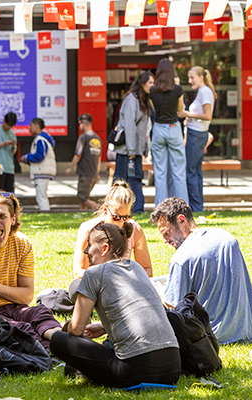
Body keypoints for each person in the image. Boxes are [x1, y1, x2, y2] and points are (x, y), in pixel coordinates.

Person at [51, 222, 181, 388]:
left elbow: (76, 329)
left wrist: (67, 329)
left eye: (90, 245)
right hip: (173, 368)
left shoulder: (94, 273)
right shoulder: (137, 268)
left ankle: (82, 370)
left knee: (58, 340)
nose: (86, 251)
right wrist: (104, 327)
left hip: (134, 372)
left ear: (104, 248)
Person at [150, 197, 252, 345]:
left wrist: (158, 294)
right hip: (246, 332)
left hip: (210, 337)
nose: (165, 240)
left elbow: (173, 309)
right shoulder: (227, 238)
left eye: (166, 232)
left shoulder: (181, 258)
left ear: (182, 220)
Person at [0, 191, 62, 350]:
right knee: (19, 328)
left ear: (13, 219)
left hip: (15, 307)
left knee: (40, 314)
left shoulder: (22, 243)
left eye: (2, 216)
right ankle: (50, 353)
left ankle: (64, 341)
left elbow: (26, 296)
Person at [73, 180, 152, 279]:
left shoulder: (135, 230)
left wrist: (125, 278)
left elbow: (147, 270)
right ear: (106, 210)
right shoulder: (88, 229)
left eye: (126, 217)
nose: (121, 223)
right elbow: (78, 272)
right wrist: (108, 277)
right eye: (116, 217)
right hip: (96, 284)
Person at [113, 71, 154, 214]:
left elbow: (145, 128)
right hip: (127, 150)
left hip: (134, 150)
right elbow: (129, 125)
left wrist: (144, 149)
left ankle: (137, 208)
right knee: (121, 181)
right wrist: (131, 150)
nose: (152, 85)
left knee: (135, 178)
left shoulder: (144, 100)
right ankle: (116, 209)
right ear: (142, 83)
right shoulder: (132, 99)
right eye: (150, 82)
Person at [149, 59, 188, 206]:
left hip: (158, 128)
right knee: (178, 171)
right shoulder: (177, 89)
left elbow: (154, 110)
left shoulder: (152, 90)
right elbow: (179, 109)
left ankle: (161, 207)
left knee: (160, 172)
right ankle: (182, 206)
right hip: (173, 127)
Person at [178, 66, 217, 212]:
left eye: (192, 77)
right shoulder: (203, 91)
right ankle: (198, 205)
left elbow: (208, 116)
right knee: (196, 172)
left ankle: (195, 207)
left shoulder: (204, 91)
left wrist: (187, 114)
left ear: (201, 77)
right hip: (197, 133)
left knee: (191, 172)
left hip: (196, 135)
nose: (190, 81)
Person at [66, 114, 102, 210]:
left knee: (83, 197)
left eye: (79, 124)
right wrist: (97, 173)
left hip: (85, 173)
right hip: (93, 173)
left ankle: (101, 211)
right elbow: (99, 159)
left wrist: (70, 167)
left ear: (83, 123)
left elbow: (78, 155)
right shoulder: (97, 138)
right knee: (84, 198)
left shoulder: (83, 138)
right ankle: (82, 214)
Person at [21, 118, 56, 212]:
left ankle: (45, 213)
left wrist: (27, 157)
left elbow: (40, 156)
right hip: (43, 171)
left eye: (31, 126)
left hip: (41, 172)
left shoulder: (40, 139)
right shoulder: (45, 138)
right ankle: (45, 212)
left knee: (41, 196)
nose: (29, 128)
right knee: (42, 195)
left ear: (37, 126)